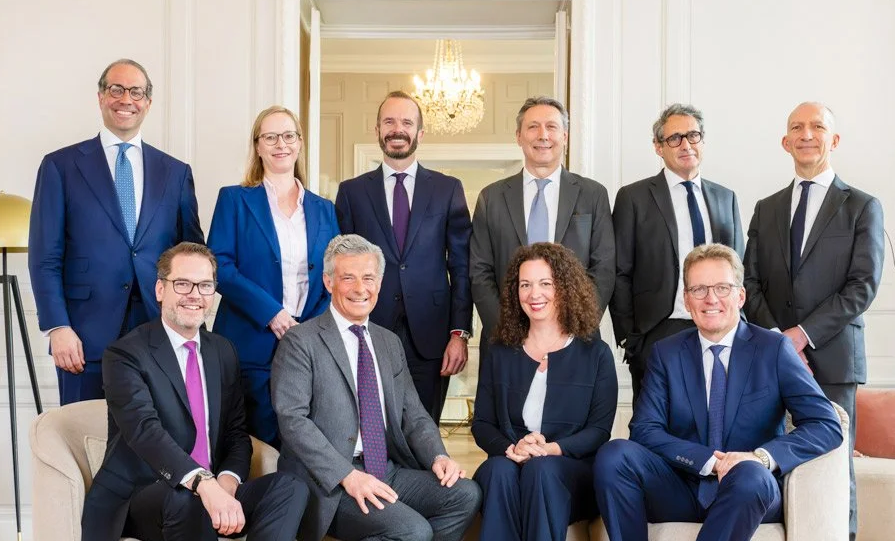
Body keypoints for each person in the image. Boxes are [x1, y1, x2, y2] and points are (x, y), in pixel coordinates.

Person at [593, 243, 842, 541]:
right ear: (686, 300)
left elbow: (826, 424)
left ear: (740, 296)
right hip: (683, 485)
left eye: (722, 288)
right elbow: (645, 429)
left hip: (745, 493)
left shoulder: (773, 349)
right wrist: (709, 460)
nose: (711, 299)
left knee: (748, 476)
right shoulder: (667, 353)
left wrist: (760, 457)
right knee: (614, 455)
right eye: (699, 290)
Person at [81, 243, 308, 541]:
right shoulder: (125, 354)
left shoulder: (222, 351)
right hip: (143, 496)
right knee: (182, 499)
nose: (194, 295)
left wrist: (225, 480)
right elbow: (145, 433)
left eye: (204, 285)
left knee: (292, 485)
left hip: (211, 490)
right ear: (160, 289)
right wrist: (202, 484)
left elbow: (237, 434)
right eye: (182, 284)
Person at [270, 234, 482, 541]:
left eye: (368, 278)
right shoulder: (302, 341)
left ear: (380, 284)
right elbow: (291, 420)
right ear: (329, 282)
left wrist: (438, 455)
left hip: (385, 468)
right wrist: (347, 476)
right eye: (348, 278)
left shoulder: (387, 342)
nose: (360, 288)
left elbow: (413, 413)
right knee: (412, 531)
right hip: (330, 481)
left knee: (465, 494)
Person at [743, 101, 884, 541]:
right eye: (796, 128)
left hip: (833, 360)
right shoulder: (766, 209)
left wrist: (801, 337)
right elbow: (751, 283)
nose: (807, 134)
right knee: (768, 459)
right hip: (769, 359)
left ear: (834, 140)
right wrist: (780, 341)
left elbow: (862, 286)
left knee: (834, 469)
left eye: (817, 126)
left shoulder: (862, 206)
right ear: (786, 142)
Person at [467, 243, 617, 541]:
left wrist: (551, 448)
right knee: (497, 471)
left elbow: (599, 430)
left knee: (541, 471)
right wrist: (511, 446)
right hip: (514, 463)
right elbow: (482, 422)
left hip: (568, 471)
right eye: (525, 284)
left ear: (565, 288)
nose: (535, 293)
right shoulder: (498, 347)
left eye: (545, 283)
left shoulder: (594, 352)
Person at [29, 59, 204, 405]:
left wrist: (190, 321)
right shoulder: (60, 166)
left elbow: (192, 256)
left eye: (136, 92)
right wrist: (58, 328)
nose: (127, 99)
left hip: (159, 328)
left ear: (148, 103)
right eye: (116, 89)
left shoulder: (175, 172)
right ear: (101, 97)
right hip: (83, 336)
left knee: (159, 440)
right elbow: (44, 257)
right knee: (84, 438)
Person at [336, 91, 472, 423]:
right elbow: (340, 266)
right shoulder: (352, 192)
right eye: (390, 121)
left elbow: (462, 265)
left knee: (424, 430)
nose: (398, 129)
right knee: (370, 427)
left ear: (420, 133)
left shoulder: (447, 189)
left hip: (432, 335)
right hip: (366, 328)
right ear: (377, 129)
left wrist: (459, 333)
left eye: (407, 122)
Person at [207, 106, 339, 447]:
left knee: (302, 444)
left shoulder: (324, 208)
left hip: (307, 342)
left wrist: (307, 328)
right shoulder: (234, 200)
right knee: (253, 444)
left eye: (288, 135)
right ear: (259, 146)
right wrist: (273, 314)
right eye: (270, 137)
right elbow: (219, 266)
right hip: (249, 340)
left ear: (299, 143)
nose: (281, 144)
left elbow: (333, 274)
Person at [610, 103, 743, 399]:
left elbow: (740, 270)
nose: (686, 144)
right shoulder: (633, 198)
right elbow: (620, 271)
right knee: (654, 426)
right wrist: (631, 338)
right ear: (659, 147)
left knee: (716, 421)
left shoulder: (725, 197)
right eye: (674, 138)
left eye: (693, 136)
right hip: (658, 330)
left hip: (719, 327)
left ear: (703, 141)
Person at [469, 96, 615, 340]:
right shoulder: (491, 197)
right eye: (533, 126)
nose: (543, 135)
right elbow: (479, 271)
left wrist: (574, 325)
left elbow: (604, 268)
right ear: (518, 136)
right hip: (506, 340)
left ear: (565, 137)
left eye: (551, 127)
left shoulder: (593, 194)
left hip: (575, 337)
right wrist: (508, 329)